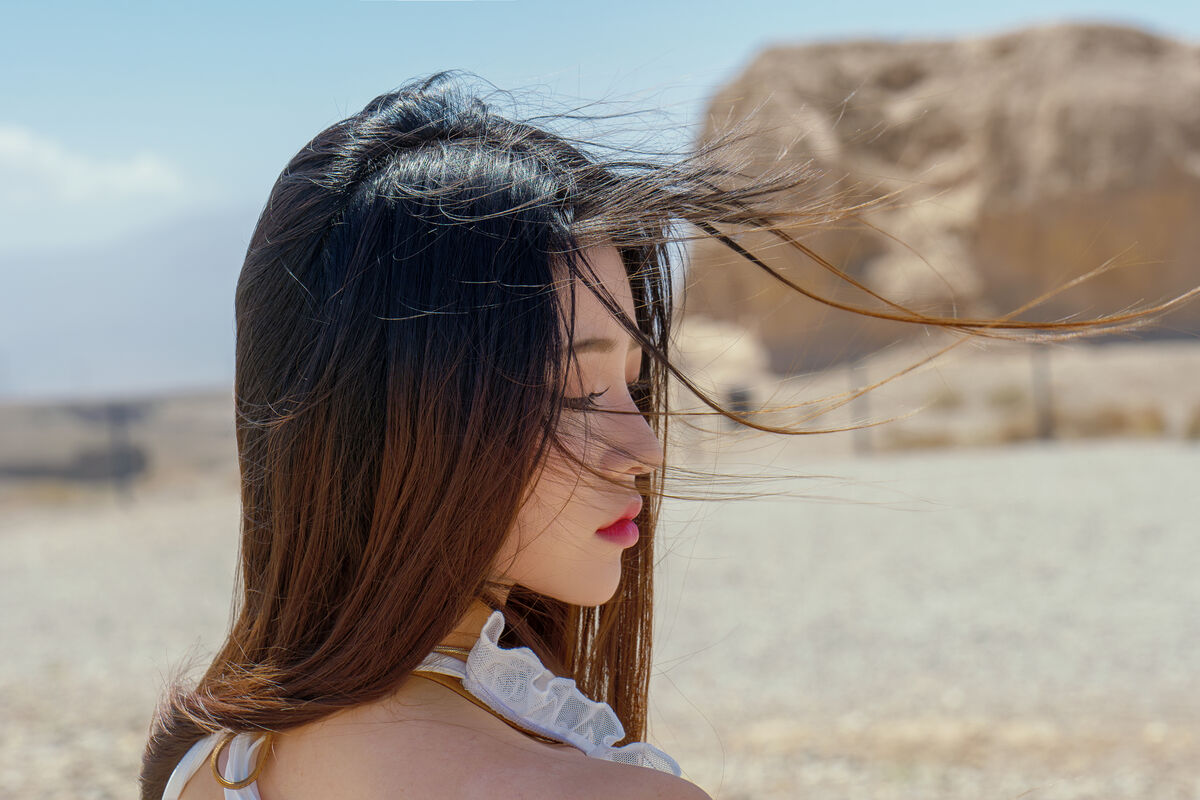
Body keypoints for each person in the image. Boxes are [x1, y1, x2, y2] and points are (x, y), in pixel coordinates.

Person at [140, 71, 1189, 800]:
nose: (642, 446)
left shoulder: (208, 758)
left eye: (635, 383)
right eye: (571, 389)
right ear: (395, 415)